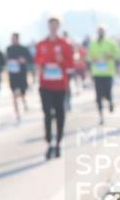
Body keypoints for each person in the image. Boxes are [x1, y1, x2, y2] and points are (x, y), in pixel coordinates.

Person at [34, 16, 74, 159]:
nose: (53, 28)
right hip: (45, 84)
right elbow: (37, 61)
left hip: (60, 84)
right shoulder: (41, 44)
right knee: (47, 113)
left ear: (58, 27)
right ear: (48, 26)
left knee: (59, 113)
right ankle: (49, 141)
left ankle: (58, 142)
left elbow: (70, 64)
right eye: (51, 25)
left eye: (55, 25)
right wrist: (43, 63)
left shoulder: (65, 44)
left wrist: (61, 62)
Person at [87, 25, 120, 125]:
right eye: (99, 31)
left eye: (102, 31)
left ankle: (110, 101)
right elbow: (88, 57)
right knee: (98, 96)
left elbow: (118, 54)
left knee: (108, 92)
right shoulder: (92, 44)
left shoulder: (111, 43)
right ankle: (101, 116)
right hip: (97, 73)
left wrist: (110, 55)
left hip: (108, 73)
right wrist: (92, 59)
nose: (100, 33)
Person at [5, 32, 32, 122]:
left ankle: (24, 102)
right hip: (13, 75)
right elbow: (6, 59)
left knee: (22, 91)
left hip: (22, 74)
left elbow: (30, 59)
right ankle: (17, 112)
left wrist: (23, 60)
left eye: (15, 38)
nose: (13, 40)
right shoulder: (9, 49)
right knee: (14, 93)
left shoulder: (23, 49)